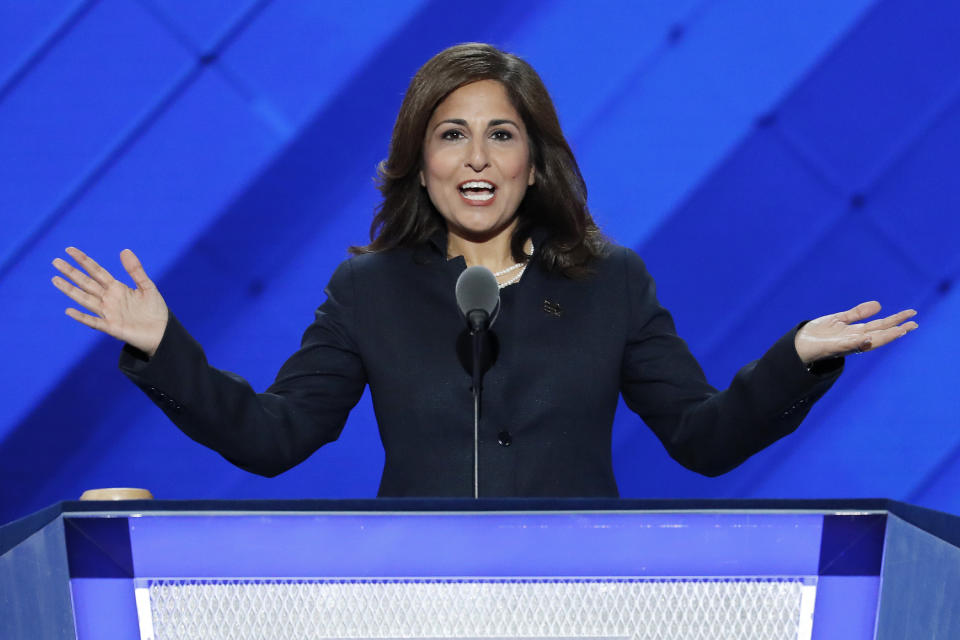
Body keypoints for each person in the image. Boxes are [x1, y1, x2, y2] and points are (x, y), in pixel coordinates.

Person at [50, 43, 917, 497]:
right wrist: (164, 345)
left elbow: (704, 440)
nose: (477, 156)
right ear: (420, 159)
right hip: (415, 599)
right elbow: (276, 439)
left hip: (579, 601)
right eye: (450, 132)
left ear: (533, 162)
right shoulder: (370, 290)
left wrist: (798, 355)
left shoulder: (610, 281)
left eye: (501, 134)